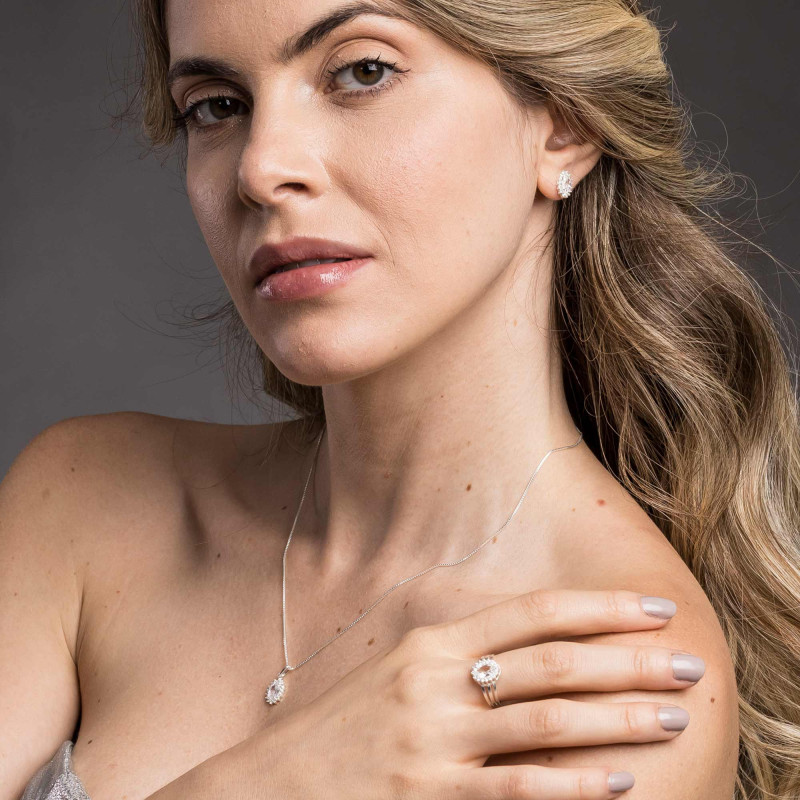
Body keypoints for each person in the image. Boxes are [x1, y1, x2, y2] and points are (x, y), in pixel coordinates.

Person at [2, 0, 799, 798]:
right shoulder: (82, 502)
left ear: (563, 122)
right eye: (217, 106)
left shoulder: (609, 684)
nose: (260, 168)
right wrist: (269, 782)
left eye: (363, 71)